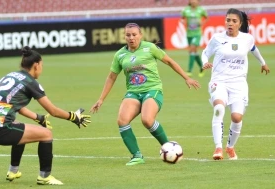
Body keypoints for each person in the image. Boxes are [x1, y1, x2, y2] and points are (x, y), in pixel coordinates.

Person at [90, 23, 200, 166]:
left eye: (134, 35)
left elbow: (169, 62)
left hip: (153, 90)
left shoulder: (150, 48)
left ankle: (168, 146)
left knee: (147, 120)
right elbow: (111, 77)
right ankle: (137, 156)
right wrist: (101, 99)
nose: (131, 38)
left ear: (140, 35)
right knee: (122, 120)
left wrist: (187, 77)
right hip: (133, 93)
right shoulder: (120, 55)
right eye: (128, 35)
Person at [0, 46, 91, 185]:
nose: (42, 69)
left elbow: (16, 106)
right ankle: (44, 176)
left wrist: (38, 118)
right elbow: (53, 110)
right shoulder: (31, 83)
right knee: (46, 134)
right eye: (42, 65)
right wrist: (73, 117)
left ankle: (13, 171)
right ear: (36, 65)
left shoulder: (11, 75)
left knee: (20, 127)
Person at [201, 8, 270, 160]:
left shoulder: (247, 39)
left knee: (237, 117)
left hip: (239, 83)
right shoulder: (217, 38)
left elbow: (254, 49)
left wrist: (263, 63)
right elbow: (205, 52)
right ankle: (218, 148)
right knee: (219, 108)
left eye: (234, 21)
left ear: (240, 23)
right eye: (228, 20)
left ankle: (230, 147)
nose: (230, 23)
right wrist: (205, 62)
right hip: (219, 81)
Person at [181, 0, 208, 77]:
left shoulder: (201, 10)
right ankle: (202, 67)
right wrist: (183, 21)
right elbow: (182, 18)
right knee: (193, 52)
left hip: (197, 33)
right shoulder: (185, 10)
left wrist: (202, 23)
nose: (194, 1)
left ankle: (189, 70)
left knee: (192, 49)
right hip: (189, 33)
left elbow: (206, 18)